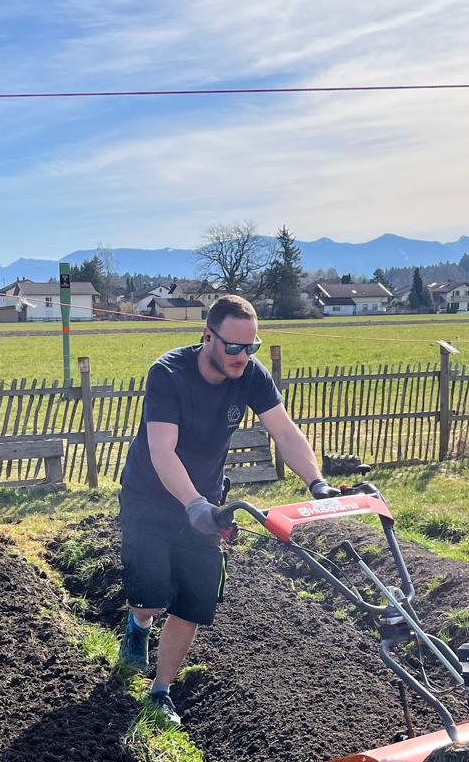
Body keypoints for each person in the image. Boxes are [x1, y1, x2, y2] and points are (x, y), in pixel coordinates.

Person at [117, 294, 339, 723]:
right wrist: (192, 503)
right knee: (150, 596)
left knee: (193, 598)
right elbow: (162, 451)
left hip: (206, 502)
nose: (242, 356)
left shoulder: (250, 374)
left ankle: (160, 691)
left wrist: (317, 483)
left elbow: (284, 432)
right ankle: (139, 624)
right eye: (234, 346)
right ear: (208, 337)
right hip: (150, 495)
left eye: (250, 346)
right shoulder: (168, 373)